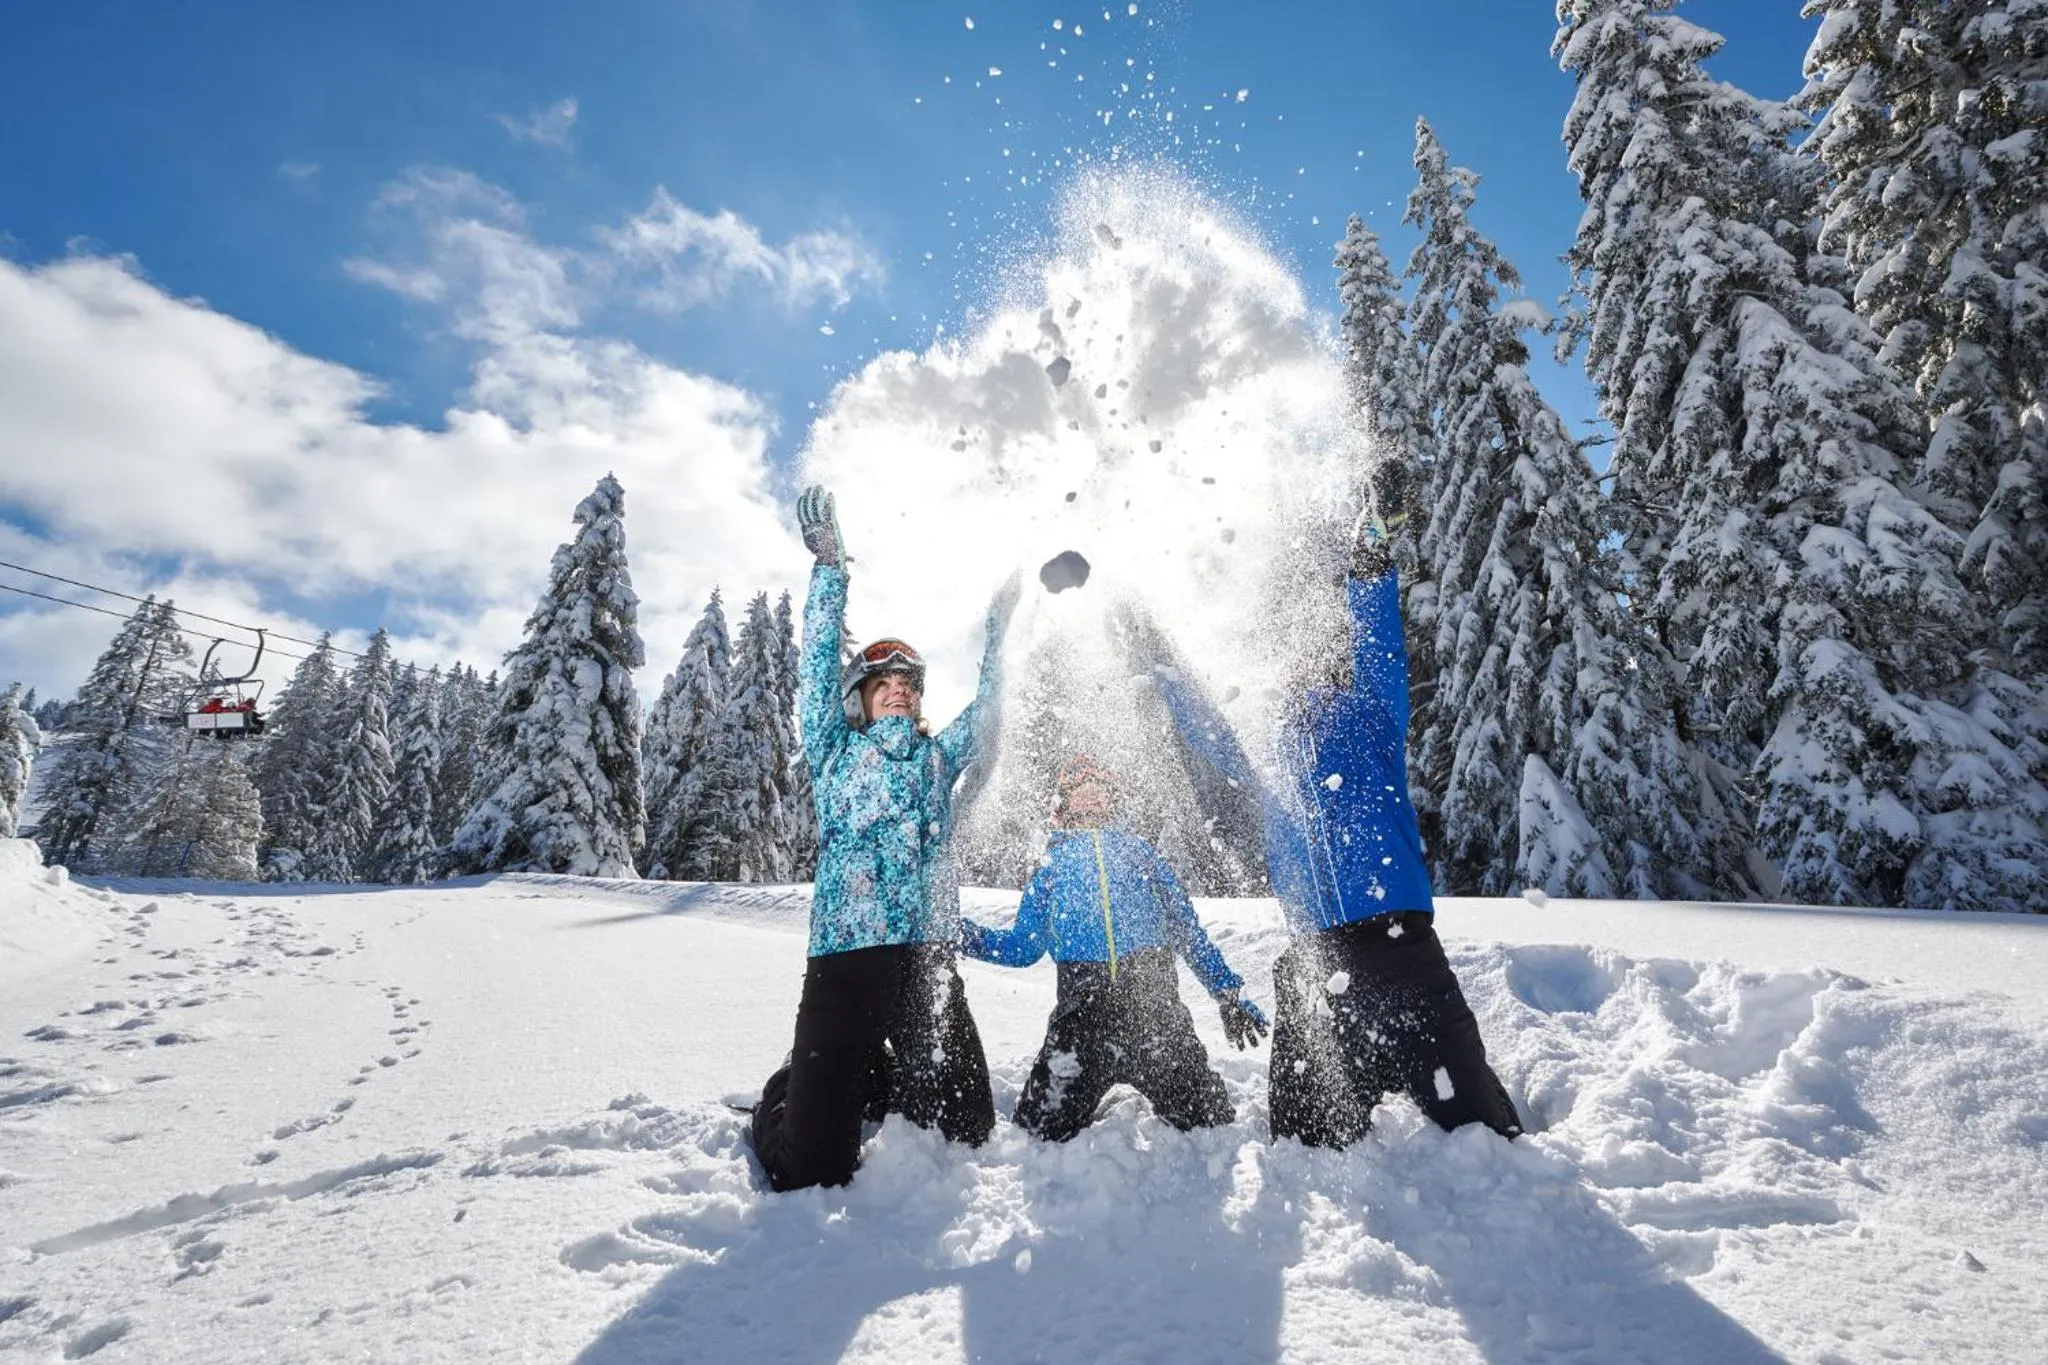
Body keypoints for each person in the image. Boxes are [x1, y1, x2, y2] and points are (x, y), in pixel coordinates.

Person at [1143, 469, 1522, 1147]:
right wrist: (1157, 647)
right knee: (1302, 1143)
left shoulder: (1369, 714)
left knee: (1487, 1134)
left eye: (1301, 645)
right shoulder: (1257, 738)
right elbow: (1200, 721)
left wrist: (1371, 562)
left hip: (1404, 951)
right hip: (1317, 967)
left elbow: (1380, 649)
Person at [750, 485, 1019, 1192]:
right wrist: (832, 571)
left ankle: (873, 1067)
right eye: (883, 680)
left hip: (926, 956)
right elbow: (812, 670)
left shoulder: (935, 759)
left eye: (908, 680)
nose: (898, 687)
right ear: (861, 698)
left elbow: (989, 716)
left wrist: (996, 635)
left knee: (965, 1126)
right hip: (846, 955)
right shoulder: (835, 750)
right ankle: (795, 1078)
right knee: (811, 1168)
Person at [958, 754, 1269, 1141]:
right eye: (1079, 791)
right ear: (1063, 804)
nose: (1091, 798)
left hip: (1156, 1018)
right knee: (1036, 1133)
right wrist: (958, 934)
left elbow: (1189, 933)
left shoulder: (1144, 855)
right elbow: (1021, 947)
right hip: (1080, 1025)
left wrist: (1228, 992)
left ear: (1112, 799)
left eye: (1099, 790)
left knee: (1212, 1125)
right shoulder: (1051, 871)